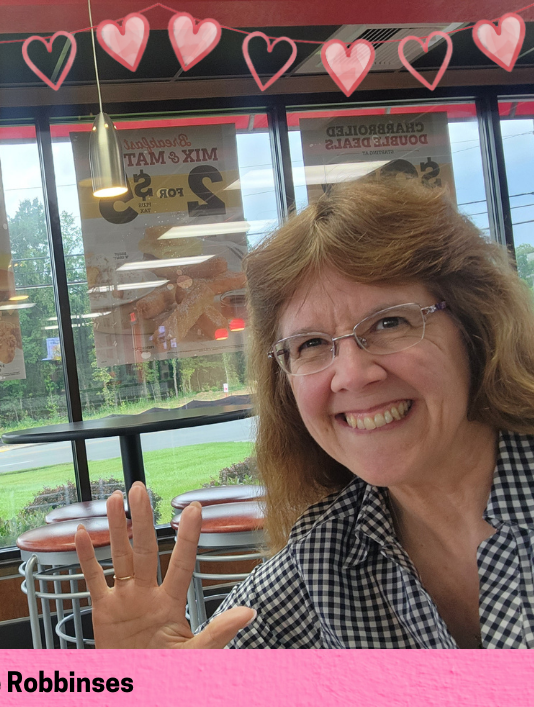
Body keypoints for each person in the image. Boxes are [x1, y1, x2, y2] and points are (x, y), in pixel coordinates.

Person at [77, 177, 534, 653]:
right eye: (311, 344)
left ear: (475, 326)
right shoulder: (321, 561)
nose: (352, 375)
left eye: (390, 322)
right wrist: (147, 694)